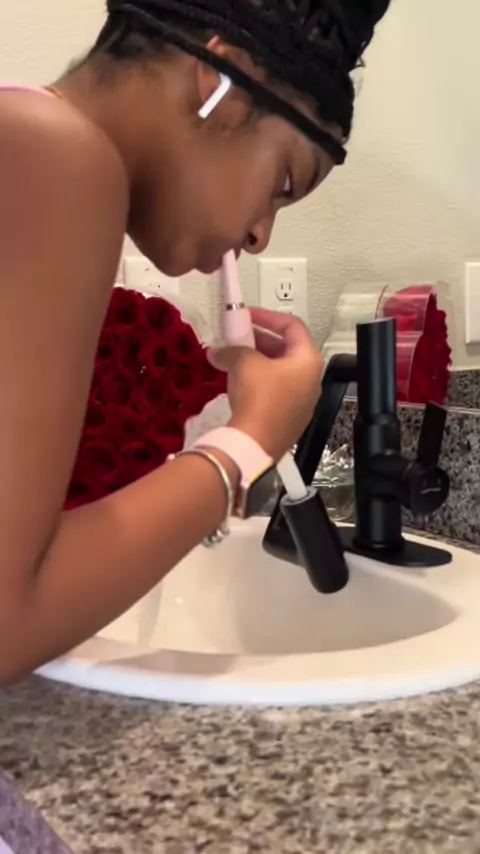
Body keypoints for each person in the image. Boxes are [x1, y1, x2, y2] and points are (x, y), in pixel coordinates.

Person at [0, 0, 391, 687]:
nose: (260, 236)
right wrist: (250, 440)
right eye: (284, 184)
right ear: (220, 82)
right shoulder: (55, 152)